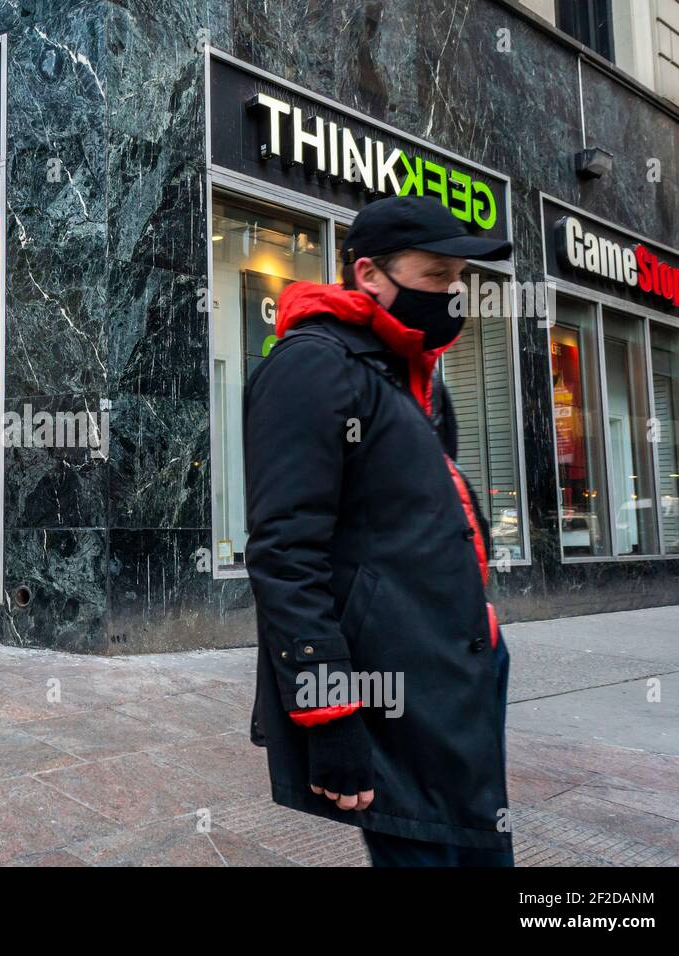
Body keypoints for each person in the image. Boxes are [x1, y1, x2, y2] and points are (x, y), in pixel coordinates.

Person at [244, 195, 514, 867]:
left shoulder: (407, 371)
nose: (452, 295)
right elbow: (284, 553)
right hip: (390, 687)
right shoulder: (312, 367)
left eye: (458, 280)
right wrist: (329, 714)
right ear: (369, 274)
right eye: (437, 276)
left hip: (456, 664)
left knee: (477, 846)